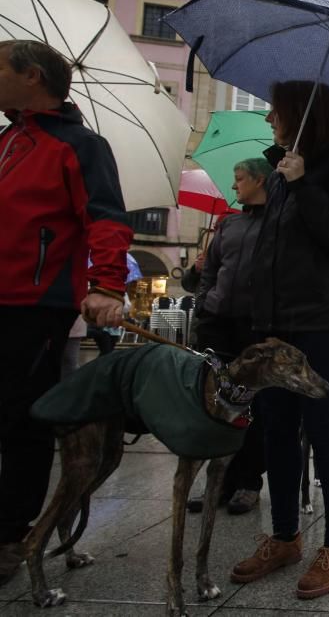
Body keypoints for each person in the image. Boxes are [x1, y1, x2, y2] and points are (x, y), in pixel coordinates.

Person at [230, 81, 329, 600]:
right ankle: (285, 536)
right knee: (276, 429)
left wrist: (306, 183)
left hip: (323, 320)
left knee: (324, 428)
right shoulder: (283, 169)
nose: (268, 119)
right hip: (277, 321)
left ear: (301, 114)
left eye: (275, 110)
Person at [0, 40, 131, 585]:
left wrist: (105, 284)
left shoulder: (80, 145)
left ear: (32, 76)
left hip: (36, 301)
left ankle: (10, 534)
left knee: (20, 417)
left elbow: (105, 217)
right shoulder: (8, 140)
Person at [186, 158, 272, 516]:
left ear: (259, 180)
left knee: (252, 407)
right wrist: (205, 302)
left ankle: (248, 481)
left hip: (254, 326)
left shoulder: (277, 224)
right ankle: (217, 482)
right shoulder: (229, 223)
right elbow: (212, 271)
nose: (234, 186)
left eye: (239, 179)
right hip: (217, 322)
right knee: (215, 406)